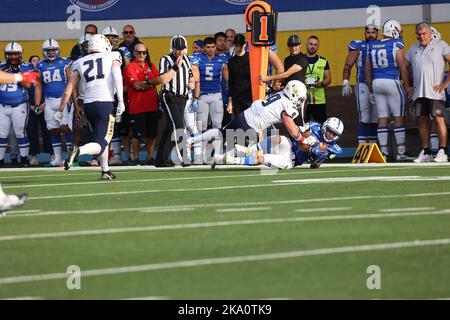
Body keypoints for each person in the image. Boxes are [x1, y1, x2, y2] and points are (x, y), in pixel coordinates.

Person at [188, 80, 316, 158]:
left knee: (221, 132)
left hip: (244, 116)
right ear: (292, 94)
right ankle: (222, 157)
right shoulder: (288, 106)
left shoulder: (280, 94)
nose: (299, 101)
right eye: (299, 98)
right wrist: (305, 139)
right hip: (251, 126)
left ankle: (192, 139)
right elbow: (293, 132)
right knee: (255, 152)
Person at [62, 34, 124, 180]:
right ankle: (78, 151)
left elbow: (68, 90)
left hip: (88, 105)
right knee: (102, 142)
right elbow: (117, 76)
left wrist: (61, 110)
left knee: (100, 138)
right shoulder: (112, 55)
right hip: (105, 103)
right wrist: (121, 100)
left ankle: (105, 170)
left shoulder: (79, 61)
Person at [365, 19, 413, 161]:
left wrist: (371, 90)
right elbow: (402, 66)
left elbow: (367, 71)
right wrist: (407, 87)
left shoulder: (372, 45)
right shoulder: (395, 43)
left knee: (382, 118)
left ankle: (384, 153)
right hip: (391, 81)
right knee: (399, 117)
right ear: (394, 31)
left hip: (376, 83)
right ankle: (401, 152)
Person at [221, 117, 343, 169]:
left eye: (334, 134)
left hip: (290, 161)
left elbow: (314, 166)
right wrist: (311, 148)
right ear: (324, 127)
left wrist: (319, 159)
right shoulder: (314, 127)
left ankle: (234, 161)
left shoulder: (333, 148)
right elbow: (299, 142)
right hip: (290, 147)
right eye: (330, 132)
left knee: (263, 158)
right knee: (278, 138)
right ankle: (250, 149)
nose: (330, 135)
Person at [404, 22, 449, 163]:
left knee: (438, 119)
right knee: (422, 120)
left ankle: (442, 151)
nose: (422, 36)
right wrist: (407, 86)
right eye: (419, 34)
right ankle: (427, 152)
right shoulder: (412, 49)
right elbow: (404, 67)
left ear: (430, 33)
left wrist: (445, 83)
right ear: (416, 34)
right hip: (419, 93)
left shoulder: (441, 45)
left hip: (436, 92)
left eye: (424, 33)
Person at [155, 35, 194, 167]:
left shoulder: (187, 59)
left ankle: (160, 159)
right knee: (179, 126)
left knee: (170, 128)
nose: (179, 51)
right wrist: (175, 68)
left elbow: (191, 77)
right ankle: (184, 157)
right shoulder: (165, 59)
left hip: (182, 98)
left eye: (182, 49)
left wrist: (191, 83)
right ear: (172, 48)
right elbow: (164, 80)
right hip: (169, 96)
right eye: (177, 49)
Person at [34, 38, 73, 167]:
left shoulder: (64, 62)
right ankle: (57, 158)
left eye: (53, 50)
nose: (51, 52)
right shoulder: (40, 65)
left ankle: (70, 157)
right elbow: (39, 85)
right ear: (44, 51)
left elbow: (70, 82)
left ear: (58, 50)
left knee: (66, 128)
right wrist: (38, 103)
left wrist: (72, 98)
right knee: (53, 130)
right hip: (49, 101)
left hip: (63, 101)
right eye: (48, 50)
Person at [342, 24, 379, 145]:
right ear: (364, 33)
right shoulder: (359, 45)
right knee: (364, 118)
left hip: (377, 85)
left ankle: (373, 148)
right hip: (363, 84)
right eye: (368, 32)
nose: (371, 35)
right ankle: (363, 148)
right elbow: (348, 65)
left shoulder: (381, 46)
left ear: (377, 33)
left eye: (373, 32)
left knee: (375, 119)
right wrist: (345, 82)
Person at [124, 43, 160, 165]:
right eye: (139, 52)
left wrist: (145, 83)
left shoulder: (151, 65)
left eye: (144, 52)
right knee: (136, 135)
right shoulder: (130, 68)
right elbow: (136, 86)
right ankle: (135, 158)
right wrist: (150, 83)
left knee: (152, 134)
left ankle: (149, 157)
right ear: (134, 53)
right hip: (137, 107)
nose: (141, 55)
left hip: (152, 105)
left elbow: (158, 80)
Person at [0, 42, 35, 167]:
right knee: (1, 133)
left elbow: (28, 85)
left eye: (15, 54)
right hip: (2, 105)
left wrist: (18, 74)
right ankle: (1, 160)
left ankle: (24, 159)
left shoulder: (27, 66)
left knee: (21, 133)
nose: (12, 56)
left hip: (19, 105)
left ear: (20, 55)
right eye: (9, 54)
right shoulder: (1, 66)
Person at [102, 26, 133, 165]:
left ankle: (123, 155)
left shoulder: (122, 50)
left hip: (119, 90)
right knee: (108, 122)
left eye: (113, 36)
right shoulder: (99, 51)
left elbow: (128, 69)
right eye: (108, 36)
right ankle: (111, 154)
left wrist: (125, 86)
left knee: (120, 122)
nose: (111, 39)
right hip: (104, 90)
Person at [196, 37, 229, 156]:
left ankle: (217, 153)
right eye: (208, 47)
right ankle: (200, 154)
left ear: (216, 47)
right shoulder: (197, 58)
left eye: (213, 47)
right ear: (204, 48)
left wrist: (230, 98)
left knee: (217, 125)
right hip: (202, 96)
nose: (210, 49)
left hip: (216, 95)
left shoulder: (222, 59)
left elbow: (227, 80)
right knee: (201, 125)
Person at [27, 55, 52, 165]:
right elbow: (22, 92)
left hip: (45, 104)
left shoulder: (45, 73)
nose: (36, 62)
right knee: (32, 131)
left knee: (48, 130)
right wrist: (30, 106)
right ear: (29, 63)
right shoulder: (26, 75)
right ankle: (33, 156)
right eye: (33, 60)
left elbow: (49, 89)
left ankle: (52, 154)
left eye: (38, 60)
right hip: (30, 105)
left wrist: (44, 104)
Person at [303, 36, 332, 124]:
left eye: (315, 45)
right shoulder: (300, 60)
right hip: (303, 100)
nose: (313, 46)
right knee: (303, 126)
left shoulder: (323, 61)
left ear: (318, 47)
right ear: (306, 45)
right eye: (311, 44)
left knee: (321, 126)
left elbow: (328, 78)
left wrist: (321, 84)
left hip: (319, 100)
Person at [227, 33, 252, 115]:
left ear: (245, 44)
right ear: (234, 45)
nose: (239, 47)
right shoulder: (231, 61)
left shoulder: (251, 58)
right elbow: (230, 82)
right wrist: (230, 102)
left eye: (241, 45)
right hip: (236, 97)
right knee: (238, 123)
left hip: (249, 96)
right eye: (237, 45)